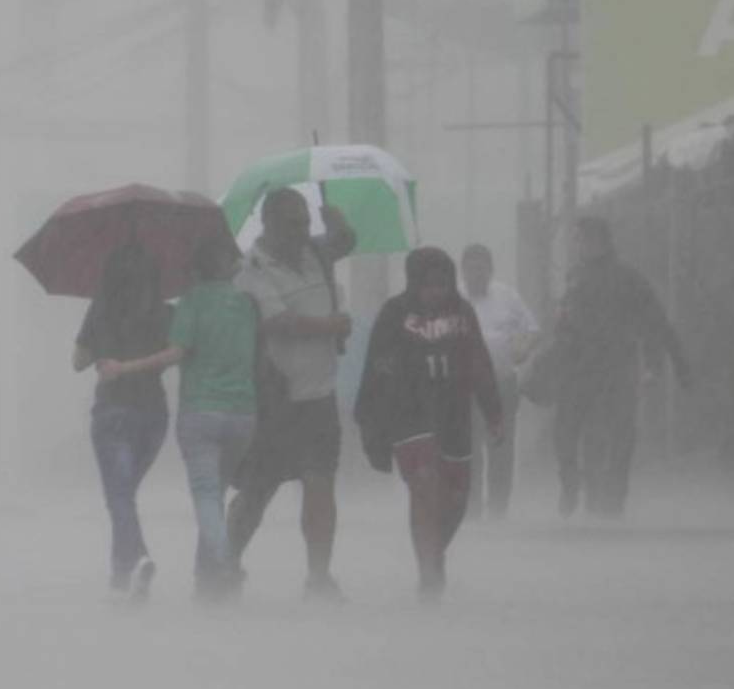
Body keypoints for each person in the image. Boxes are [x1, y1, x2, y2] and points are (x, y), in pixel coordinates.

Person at [99, 236, 257, 604]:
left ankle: (222, 560)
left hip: (201, 411)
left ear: (195, 271)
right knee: (215, 493)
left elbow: (174, 353)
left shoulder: (193, 302)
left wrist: (124, 367)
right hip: (244, 413)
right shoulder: (247, 305)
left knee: (204, 494)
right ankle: (208, 576)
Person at [227, 189, 356, 601]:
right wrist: (332, 326)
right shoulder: (250, 268)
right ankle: (226, 561)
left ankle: (319, 576)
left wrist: (335, 218)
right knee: (257, 491)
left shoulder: (314, 254)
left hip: (320, 396)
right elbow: (278, 322)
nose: (302, 232)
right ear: (269, 224)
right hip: (275, 401)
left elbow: (346, 241)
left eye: (305, 223)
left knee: (320, 484)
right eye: (292, 224)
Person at [354, 247, 503, 603]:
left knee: (455, 499)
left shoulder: (463, 313)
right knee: (424, 485)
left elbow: (479, 362)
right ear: (414, 283)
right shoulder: (395, 313)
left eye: (442, 283)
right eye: (428, 284)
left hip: (454, 414)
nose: (435, 291)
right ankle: (429, 575)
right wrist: (371, 422)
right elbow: (376, 366)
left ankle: (433, 555)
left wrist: (494, 413)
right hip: (409, 413)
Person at [553, 216, 691, 520]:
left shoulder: (628, 278)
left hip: (617, 369)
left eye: (586, 239)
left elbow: (656, 322)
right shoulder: (573, 278)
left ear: (602, 241)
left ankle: (612, 501)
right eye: (578, 239)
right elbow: (563, 325)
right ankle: (575, 485)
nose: (581, 245)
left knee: (620, 435)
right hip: (579, 369)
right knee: (568, 432)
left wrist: (673, 363)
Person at [73, 242, 173, 602]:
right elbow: (175, 354)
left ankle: (139, 557)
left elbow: (78, 361)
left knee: (119, 496)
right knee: (124, 494)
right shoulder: (164, 312)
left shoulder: (100, 309)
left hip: (114, 412)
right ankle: (120, 571)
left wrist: (104, 349)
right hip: (153, 414)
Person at [459, 244, 540, 520]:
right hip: (464, 388)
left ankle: (497, 511)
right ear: (462, 271)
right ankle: (470, 512)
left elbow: (531, 329)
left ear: (490, 270)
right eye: (470, 269)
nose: (475, 275)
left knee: (500, 449)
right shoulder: (450, 299)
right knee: (468, 450)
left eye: (480, 269)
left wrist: (523, 347)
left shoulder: (507, 296)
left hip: (501, 384)